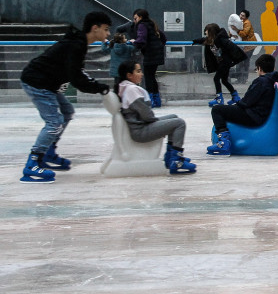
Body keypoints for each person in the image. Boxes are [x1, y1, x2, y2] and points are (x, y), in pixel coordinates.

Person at [19, 11, 112, 182]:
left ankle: (48, 152)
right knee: (54, 122)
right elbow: (76, 77)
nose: (108, 34)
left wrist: (97, 86)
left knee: (67, 111)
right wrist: (99, 88)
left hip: (46, 83)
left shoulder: (79, 44)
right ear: (95, 28)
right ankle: (32, 164)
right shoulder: (76, 45)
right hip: (37, 82)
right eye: (106, 29)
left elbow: (77, 73)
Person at [117, 61, 196, 175]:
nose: (142, 74)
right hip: (141, 130)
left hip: (140, 125)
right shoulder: (132, 90)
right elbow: (147, 116)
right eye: (138, 71)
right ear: (129, 75)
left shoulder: (127, 88)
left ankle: (170, 156)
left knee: (174, 117)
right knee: (179, 123)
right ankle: (176, 159)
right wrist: (158, 123)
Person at [207, 54, 278, 156]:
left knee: (217, 110)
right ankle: (223, 141)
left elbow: (247, 102)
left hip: (253, 116)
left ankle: (223, 143)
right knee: (226, 110)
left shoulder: (261, 81)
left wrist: (237, 104)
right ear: (273, 68)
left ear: (259, 68)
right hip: (260, 114)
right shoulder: (273, 80)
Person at [192, 23, 248, 107]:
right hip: (222, 63)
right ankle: (235, 96)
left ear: (211, 31)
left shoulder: (222, 40)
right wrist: (194, 41)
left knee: (216, 79)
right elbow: (203, 40)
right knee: (224, 80)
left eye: (206, 30)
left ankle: (219, 99)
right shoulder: (211, 39)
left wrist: (235, 61)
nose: (205, 32)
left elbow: (234, 49)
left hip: (225, 63)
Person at [131, 9, 167, 108]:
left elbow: (141, 39)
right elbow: (163, 38)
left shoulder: (142, 25)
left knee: (148, 77)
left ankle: (150, 100)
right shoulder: (152, 24)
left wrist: (134, 43)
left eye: (135, 18)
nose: (135, 21)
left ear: (140, 17)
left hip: (150, 54)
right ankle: (157, 100)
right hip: (157, 53)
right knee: (152, 76)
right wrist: (158, 46)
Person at [103, 32, 135, 96]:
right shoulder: (128, 47)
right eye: (125, 38)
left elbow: (104, 49)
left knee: (117, 85)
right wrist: (134, 42)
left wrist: (104, 42)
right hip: (125, 71)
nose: (126, 39)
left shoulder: (112, 48)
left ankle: (116, 98)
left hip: (116, 71)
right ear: (122, 40)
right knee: (126, 85)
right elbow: (136, 49)